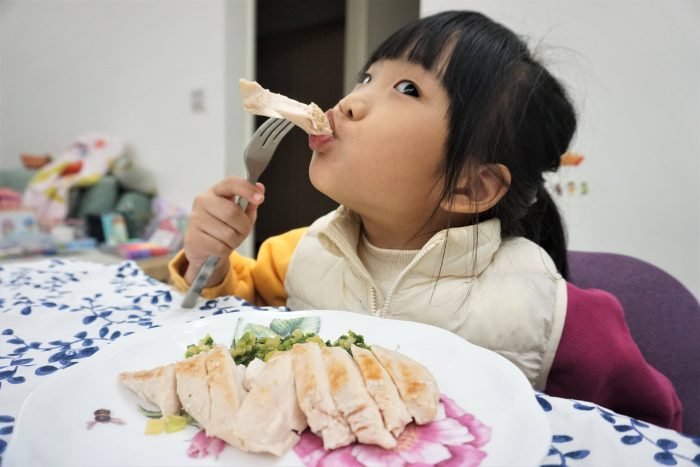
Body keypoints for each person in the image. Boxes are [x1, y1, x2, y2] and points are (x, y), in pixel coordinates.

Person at [169, 11, 682, 430]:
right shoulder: (301, 253)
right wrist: (207, 260)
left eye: (407, 88)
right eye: (367, 77)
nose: (349, 101)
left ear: (471, 187)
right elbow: (230, 314)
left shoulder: (555, 316)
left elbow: (648, 430)